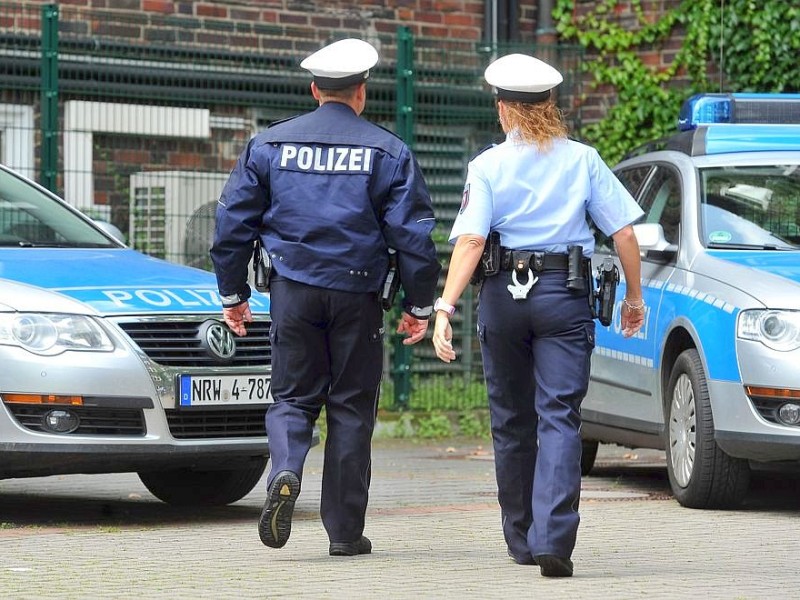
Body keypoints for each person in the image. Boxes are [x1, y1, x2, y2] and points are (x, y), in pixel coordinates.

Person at [210, 38, 441, 557]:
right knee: (352, 408)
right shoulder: (389, 151)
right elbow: (413, 238)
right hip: (359, 296)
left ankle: (286, 469)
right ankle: (344, 533)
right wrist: (418, 303)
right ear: (361, 92)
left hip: (292, 293)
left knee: (292, 397)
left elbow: (231, 225)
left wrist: (232, 292)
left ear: (315, 90)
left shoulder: (268, 145)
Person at [431, 53, 645, 578]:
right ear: (548, 107)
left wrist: (444, 306)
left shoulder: (487, 166)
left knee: (510, 418)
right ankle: (554, 540)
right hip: (564, 295)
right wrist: (634, 300)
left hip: (503, 297)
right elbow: (623, 234)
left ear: (504, 110)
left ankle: (522, 540)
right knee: (560, 416)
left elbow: (473, 240)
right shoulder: (583, 160)